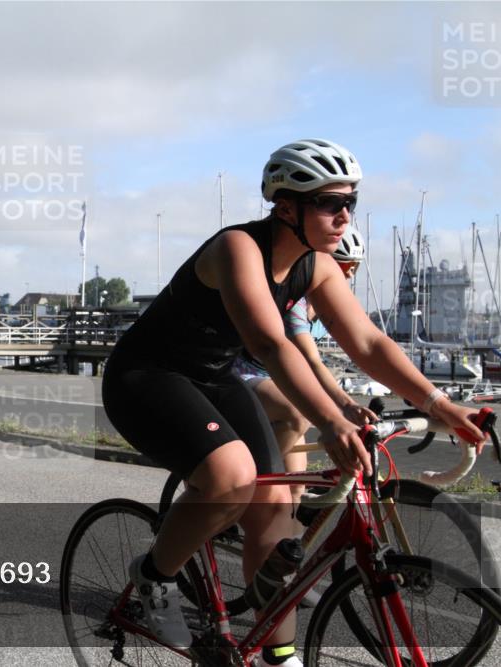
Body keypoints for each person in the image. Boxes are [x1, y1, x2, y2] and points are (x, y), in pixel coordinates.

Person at [101, 138, 485, 666]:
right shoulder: (238, 248)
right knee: (231, 477)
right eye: (330, 203)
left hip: (213, 378)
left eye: (351, 201)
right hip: (147, 377)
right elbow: (268, 343)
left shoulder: (319, 265)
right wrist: (331, 423)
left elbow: (369, 344)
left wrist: (438, 403)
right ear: (286, 206)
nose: (344, 215)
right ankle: (154, 577)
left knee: (276, 509)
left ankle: (278, 653)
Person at [232, 227, 375, 503]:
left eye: (355, 266)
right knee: (296, 416)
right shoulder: (297, 304)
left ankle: (283, 536)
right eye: (344, 264)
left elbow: (364, 346)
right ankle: (239, 489)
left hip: (280, 377)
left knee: (296, 489)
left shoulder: (326, 305)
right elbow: (311, 360)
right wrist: (345, 404)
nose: (349, 273)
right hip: (247, 372)